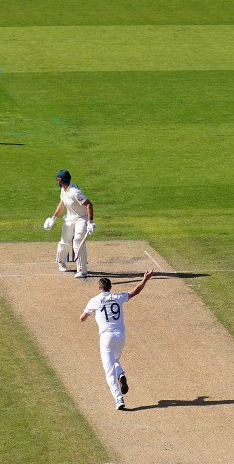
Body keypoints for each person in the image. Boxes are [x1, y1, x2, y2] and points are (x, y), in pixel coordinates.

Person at [79, 270, 154, 410]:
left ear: (99, 288)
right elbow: (135, 292)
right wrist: (145, 279)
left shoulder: (94, 300)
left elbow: (82, 318)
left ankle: (119, 399)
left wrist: (89, 313)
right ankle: (121, 374)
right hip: (121, 336)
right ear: (110, 287)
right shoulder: (118, 297)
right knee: (115, 360)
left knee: (109, 371)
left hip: (106, 337)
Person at [43, 169, 95, 279]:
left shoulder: (75, 192)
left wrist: (90, 222)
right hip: (70, 217)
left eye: (60, 181)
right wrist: (53, 218)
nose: (59, 183)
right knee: (64, 240)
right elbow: (62, 203)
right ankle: (61, 262)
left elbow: (89, 205)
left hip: (81, 218)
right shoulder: (63, 189)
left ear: (63, 181)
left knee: (78, 240)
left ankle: (82, 270)